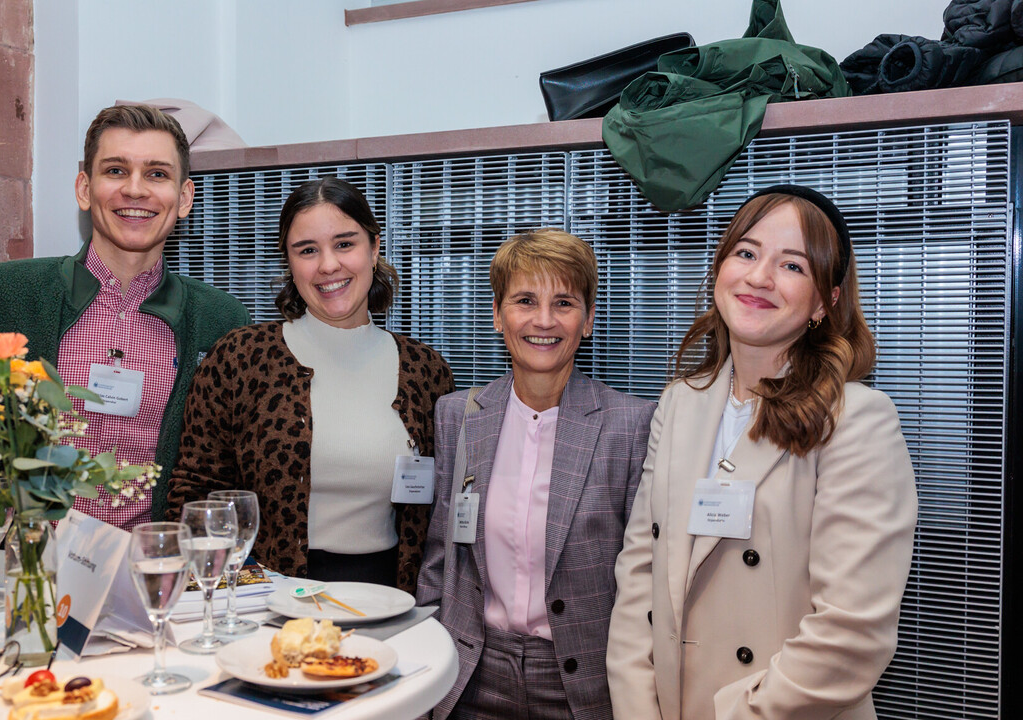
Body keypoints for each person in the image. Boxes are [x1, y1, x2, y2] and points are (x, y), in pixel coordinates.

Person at [0, 105, 250, 584]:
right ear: (85, 188)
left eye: (157, 174)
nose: (136, 189)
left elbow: (233, 473)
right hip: (25, 589)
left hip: (160, 588)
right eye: (116, 170)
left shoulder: (222, 322)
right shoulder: (2, 296)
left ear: (184, 197)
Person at [605, 185, 918, 720]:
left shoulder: (856, 421)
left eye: (792, 265)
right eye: (745, 253)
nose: (759, 277)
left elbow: (851, 632)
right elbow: (639, 575)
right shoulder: (680, 404)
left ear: (826, 300)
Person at [167, 177, 453, 592]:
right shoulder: (241, 358)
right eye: (307, 250)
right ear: (289, 262)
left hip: (392, 602)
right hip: (267, 600)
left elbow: (439, 514)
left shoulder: (426, 371)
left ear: (374, 248)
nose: (328, 265)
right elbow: (195, 494)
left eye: (344, 244)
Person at [416, 229, 655, 720]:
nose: (543, 320)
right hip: (469, 673)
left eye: (564, 303)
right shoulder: (458, 415)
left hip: (582, 683)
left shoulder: (631, 425)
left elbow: (644, 583)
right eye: (525, 300)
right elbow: (440, 559)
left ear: (587, 319)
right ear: (500, 314)